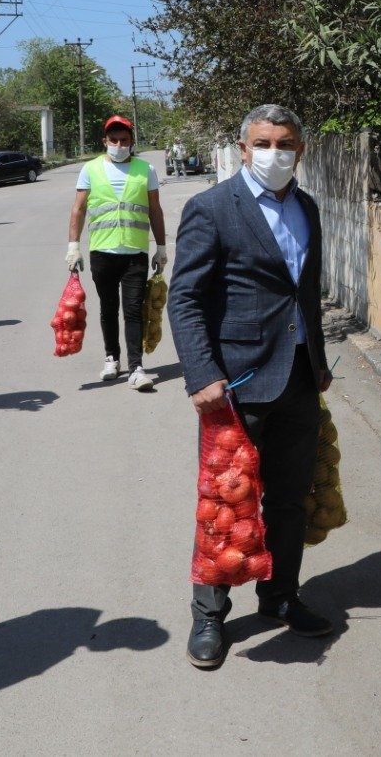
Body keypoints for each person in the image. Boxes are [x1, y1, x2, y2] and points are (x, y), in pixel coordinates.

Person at [169, 104, 335, 670]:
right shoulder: (211, 209)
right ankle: (209, 615)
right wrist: (201, 374)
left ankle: (280, 595)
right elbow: (185, 297)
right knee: (224, 504)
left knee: (289, 500)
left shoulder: (307, 207)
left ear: (300, 150)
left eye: (284, 143)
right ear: (243, 149)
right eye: (262, 143)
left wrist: (320, 360)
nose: (273, 153)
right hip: (234, 384)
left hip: (296, 379)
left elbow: (304, 295)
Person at [66, 117, 168, 387]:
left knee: (134, 310)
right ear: (105, 142)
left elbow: (155, 210)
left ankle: (136, 368)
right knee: (108, 308)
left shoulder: (146, 170)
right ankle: (112, 357)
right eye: (114, 140)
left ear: (131, 142)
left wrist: (161, 247)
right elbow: (79, 208)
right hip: (102, 252)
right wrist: (73, 246)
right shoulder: (90, 169)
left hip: (135, 253)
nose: (119, 145)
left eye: (124, 140)